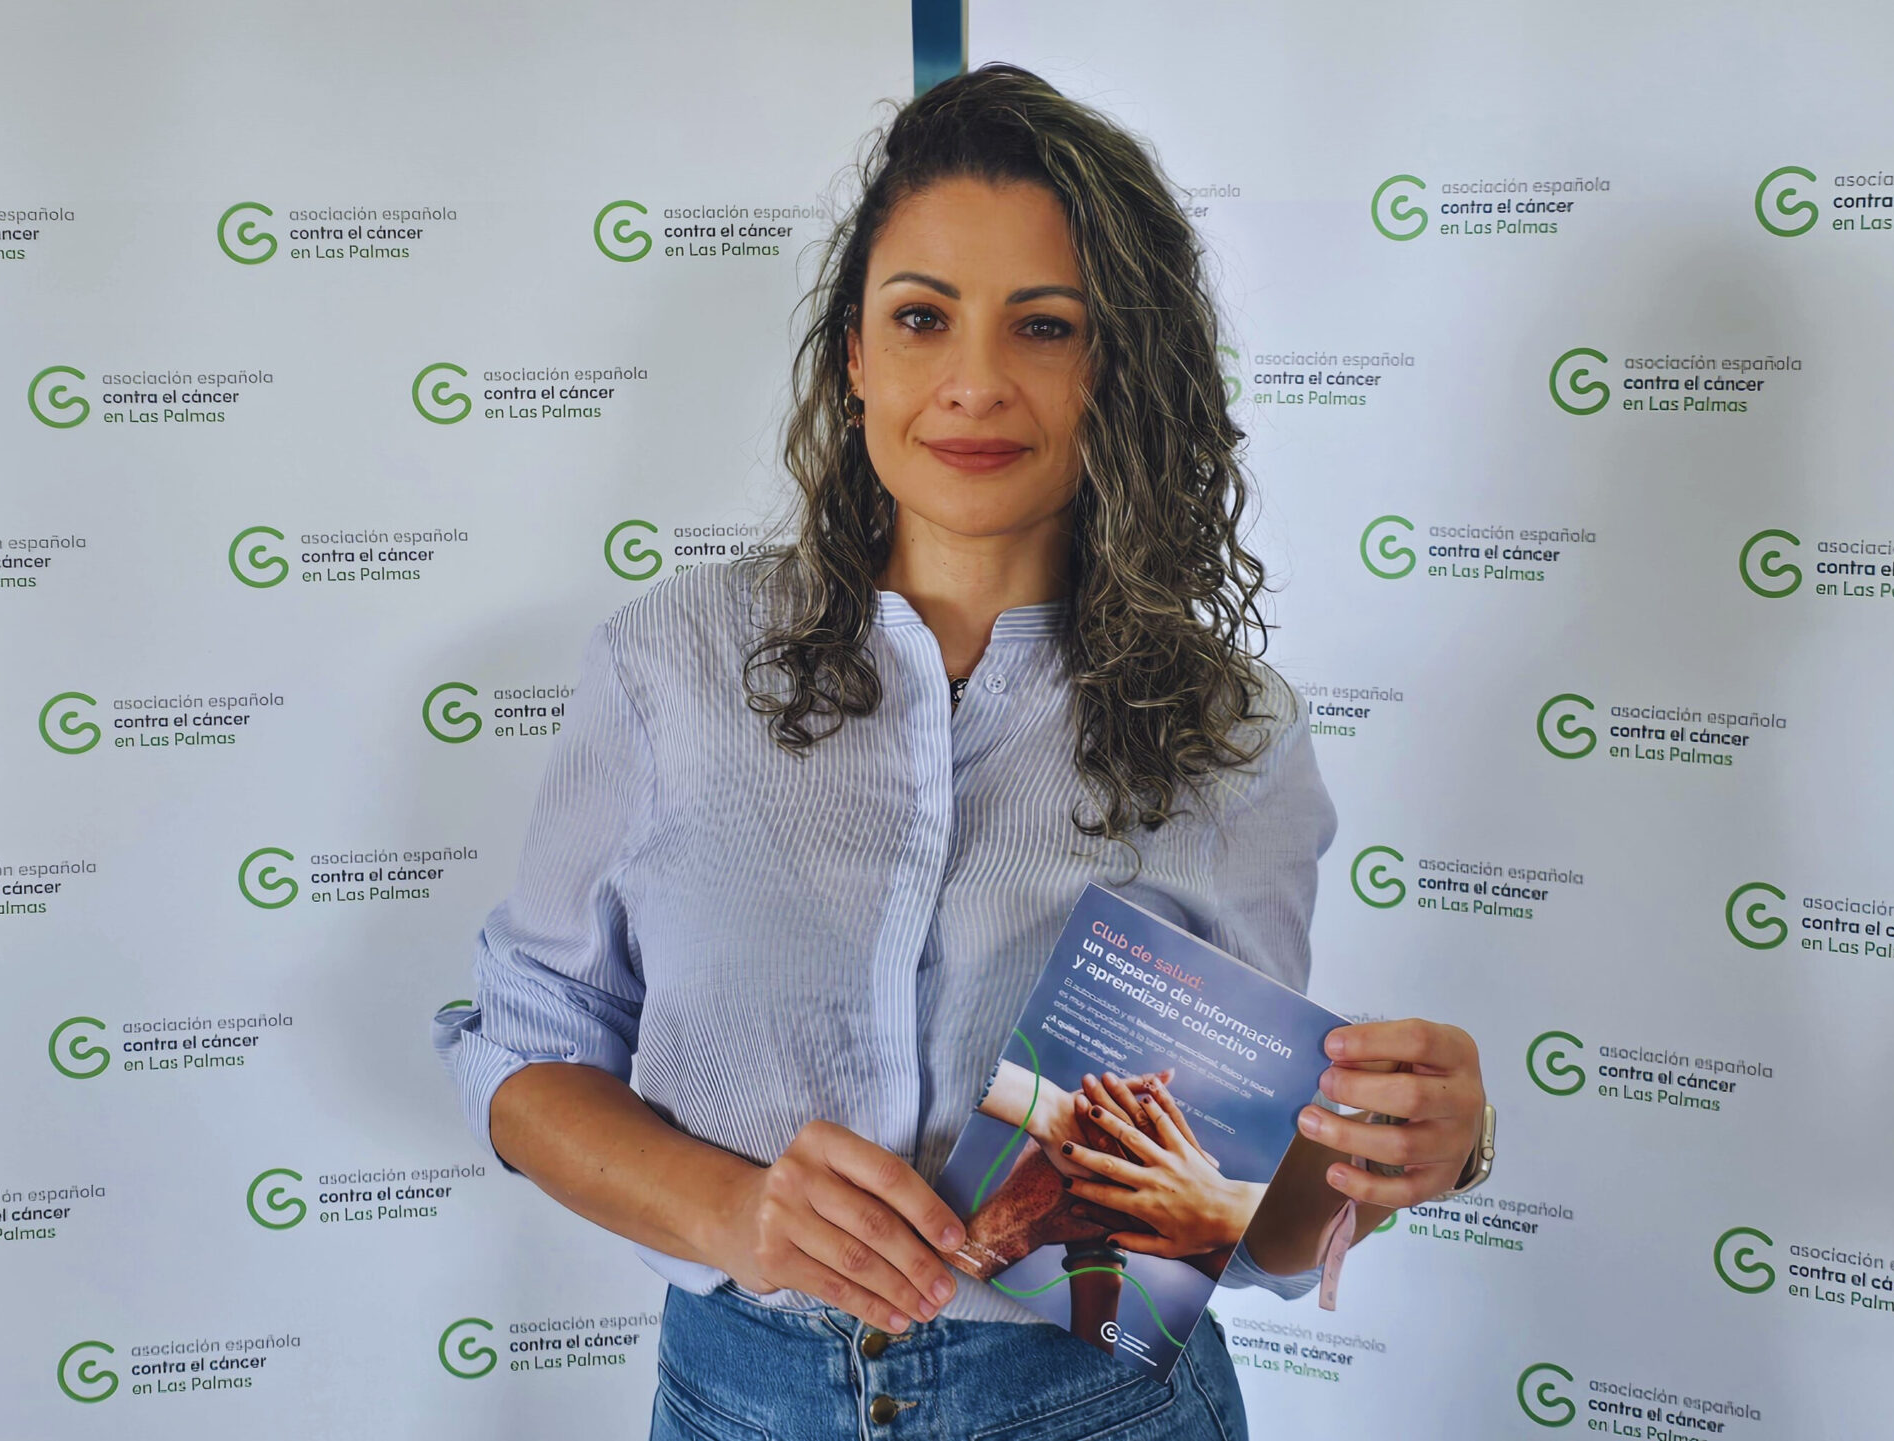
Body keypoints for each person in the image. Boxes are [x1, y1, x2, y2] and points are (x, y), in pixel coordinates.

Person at [436, 63, 1490, 1441]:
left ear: (1115, 369)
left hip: (1101, 1406)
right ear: (856, 357)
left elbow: (1248, 1224)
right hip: (742, 1400)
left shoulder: (1230, 730)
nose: (976, 384)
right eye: (923, 318)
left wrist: (1394, 1155)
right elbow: (525, 1059)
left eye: (1045, 327)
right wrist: (735, 1212)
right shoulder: (669, 665)